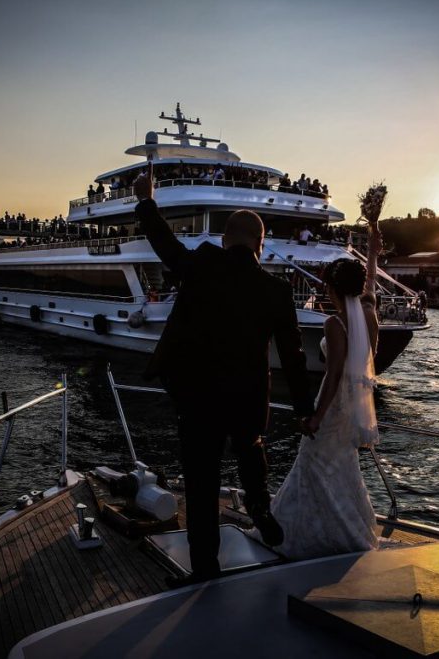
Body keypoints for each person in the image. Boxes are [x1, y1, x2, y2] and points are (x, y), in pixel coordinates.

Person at [133, 174, 314, 584]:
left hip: (198, 396)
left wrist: (146, 200)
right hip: (248, 396)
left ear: (226, 238)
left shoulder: (202, 265)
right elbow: (294, 355)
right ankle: (261, 508)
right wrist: (303, 409)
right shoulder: (276, 291)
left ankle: (206, 571)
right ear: (259, 244)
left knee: (201, 484)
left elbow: (165, 245)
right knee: (250, 447)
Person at [271, 223, 383, 559]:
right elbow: (371, 285)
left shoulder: (335, 324)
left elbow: (333, 375)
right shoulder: (369, 314)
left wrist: (317, 417)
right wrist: (374, 250)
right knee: (341, 469)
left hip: (333, 406)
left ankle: (304, 533)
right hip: (354, 407)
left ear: (333, 288)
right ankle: (345, 529)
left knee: (315, 465)